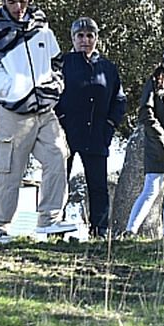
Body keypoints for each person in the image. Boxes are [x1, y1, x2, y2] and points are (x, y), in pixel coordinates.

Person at [0, 0, 78, 244]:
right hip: (13, 113)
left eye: (22, 2)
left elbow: (56, 59)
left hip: (45, 110)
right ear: (3, 1)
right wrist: (11, 90)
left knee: (57, 156)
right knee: (8, 171)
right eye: (12, 3)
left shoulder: (41, 23)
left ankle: (49, 221)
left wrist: (55, 86)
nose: (18, 8)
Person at [56, 17, 127, 237]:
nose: (85, 40)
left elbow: (119, 99)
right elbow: (50, 94)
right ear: (73, 38)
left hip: (96, 135)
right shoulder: (62, 63)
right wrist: (60, 119)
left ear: (96, 38)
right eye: (80, 36)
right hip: (65, 135)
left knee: (97, 186)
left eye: (89, 36)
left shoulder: (107, 68)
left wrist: (109, 125)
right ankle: (55, 228)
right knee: (59, 183)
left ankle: (100, 231)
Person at [125, 49, 164, 238]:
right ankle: (130, 230)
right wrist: (161, 138)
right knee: (151, 189)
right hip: (158, 144)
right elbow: (146, 113)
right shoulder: (154, 85)